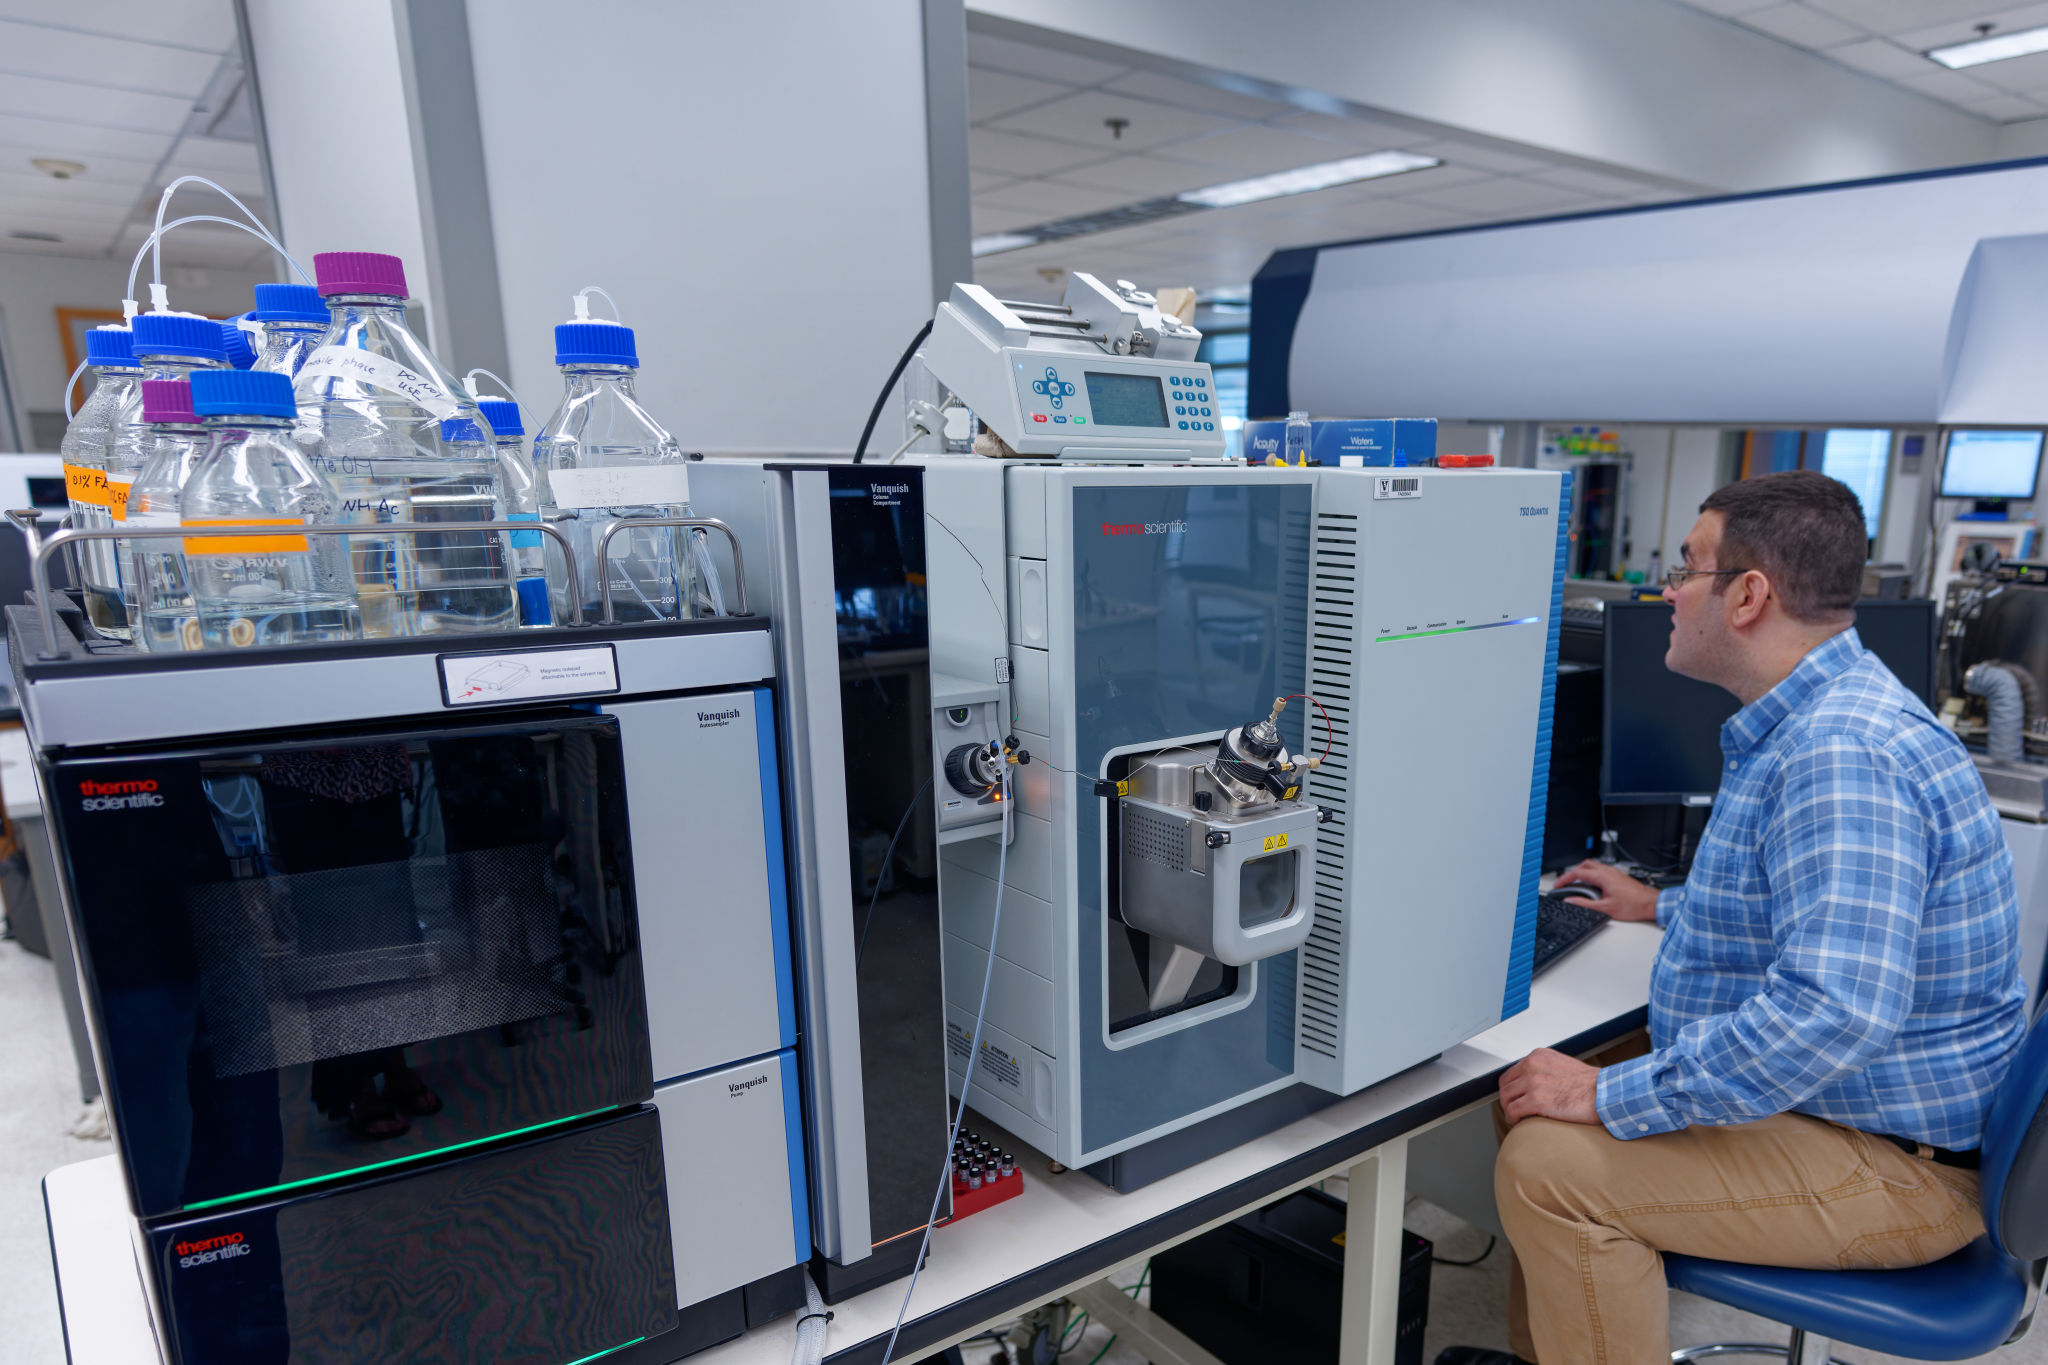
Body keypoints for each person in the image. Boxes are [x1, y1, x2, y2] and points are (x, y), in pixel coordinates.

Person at [1438, 470, 2027, 1365]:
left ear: (1749, 595)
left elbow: (1836, 1011)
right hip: (1849, 1113)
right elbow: (1802, 908)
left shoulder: (1841, 751)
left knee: (1551, 1166)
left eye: (1686, 569)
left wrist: (1609, 1094)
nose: (1667, 593)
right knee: (1534, 1093)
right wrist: (1659, 904)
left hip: (1896, 1165)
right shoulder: (1817, 715)